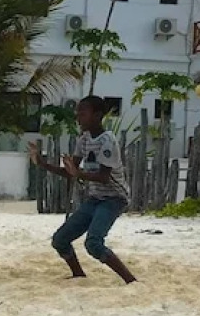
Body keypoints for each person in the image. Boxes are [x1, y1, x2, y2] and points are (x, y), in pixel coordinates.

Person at [28, 95, 137, 284]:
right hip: (95, 198)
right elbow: (72, 172)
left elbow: (103, 177)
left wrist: (77, 173)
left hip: (114, 199)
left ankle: (131, 281)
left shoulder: (107, 141)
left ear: (97, 115)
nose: (78, 117)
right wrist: (42, 164)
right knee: (60, 240)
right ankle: (78, 275)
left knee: (93, 243)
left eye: (82, 113)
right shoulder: (84, 139)